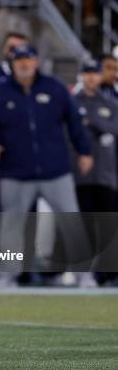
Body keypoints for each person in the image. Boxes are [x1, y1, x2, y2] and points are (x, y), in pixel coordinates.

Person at [0, 44, 93, 288]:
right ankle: (7, 276)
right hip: (15, 170)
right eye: (19, 60)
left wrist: (84, 150)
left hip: (55, 170)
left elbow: (74, 121)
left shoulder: (55, 88)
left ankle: (85, 275)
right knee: (12, 224)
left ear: (36, 61)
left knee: (71, 221)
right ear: (12, 63)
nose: (24, 64)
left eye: (28, 59)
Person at [73, 59, 118, 287]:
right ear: (81, 75)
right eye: (87, 73)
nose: (91, 77)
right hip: (81, 175)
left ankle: (108, 272)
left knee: (108, 224)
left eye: (95, 73)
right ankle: (87, 273)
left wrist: (93, 120)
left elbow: (114, 128)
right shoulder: (71, 103)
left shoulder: (110, 103)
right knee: (85, 224)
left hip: (106, 173)